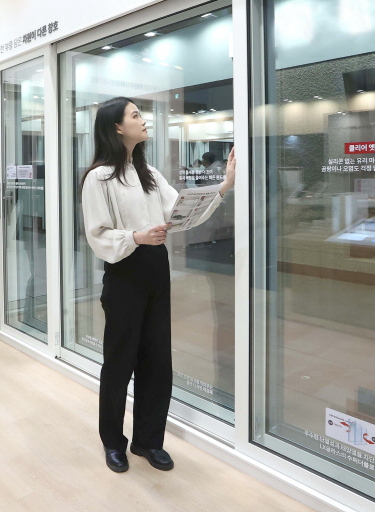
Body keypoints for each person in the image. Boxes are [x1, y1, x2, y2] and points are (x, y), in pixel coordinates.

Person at [81, 97, 236, 473]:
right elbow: (97, 235)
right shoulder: (99, 177)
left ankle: (148, 441)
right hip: (124, 271)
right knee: (119, 361)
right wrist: (136, 236)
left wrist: (224, 186)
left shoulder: (148, 172)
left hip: (155, 267)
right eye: (135, 115)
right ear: (117, 127)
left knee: (157, 359)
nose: (143, 120)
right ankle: (113, 442)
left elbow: (177, 211)